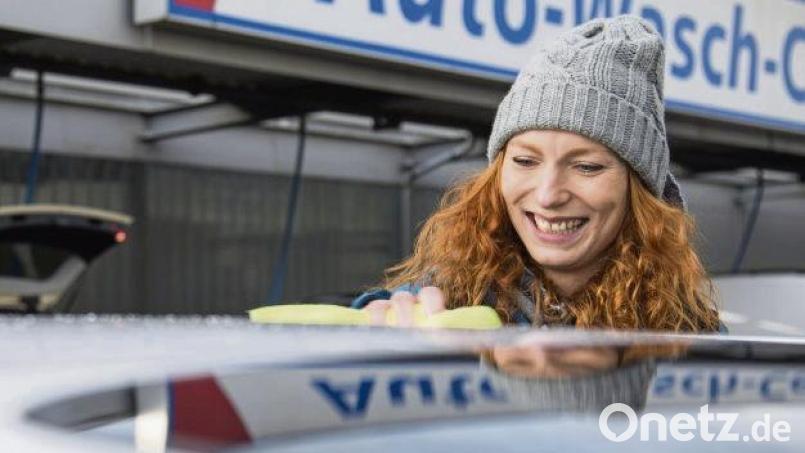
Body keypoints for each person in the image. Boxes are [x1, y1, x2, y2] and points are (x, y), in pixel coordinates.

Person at [352, 15, 722, 337]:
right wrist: (381, 323)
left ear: (639, 188)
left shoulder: (690, 335)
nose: (548, 195)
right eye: (526, 161)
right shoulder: (445, 304)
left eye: (586, 166)